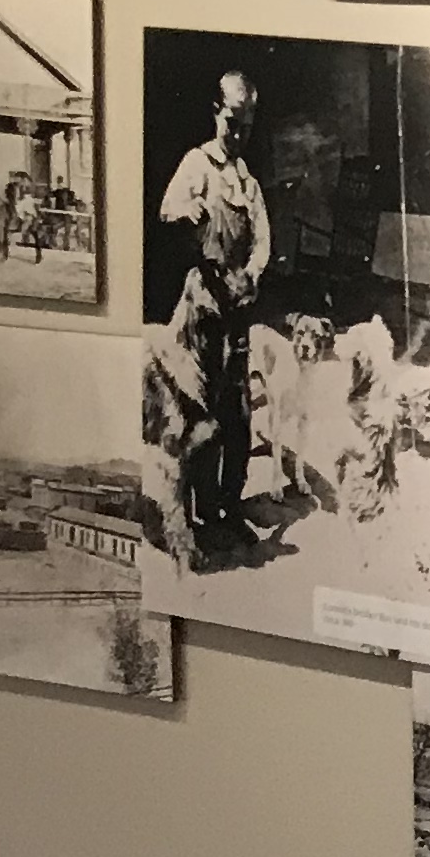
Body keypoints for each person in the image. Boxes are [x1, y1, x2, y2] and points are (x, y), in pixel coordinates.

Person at [145, 69, 273, 563]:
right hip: (202, 304)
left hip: (237, 306)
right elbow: (166, 209)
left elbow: (262, 240)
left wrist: (253, 273)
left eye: (247, 127)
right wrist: (188, 211)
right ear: (216, 113)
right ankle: (197, 513)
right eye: (231, 123)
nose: (237, 134)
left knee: (237, 413)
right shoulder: (198, 163)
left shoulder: (248, 182)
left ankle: (228, 507)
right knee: (199, 411)